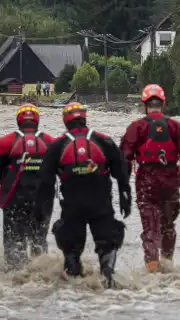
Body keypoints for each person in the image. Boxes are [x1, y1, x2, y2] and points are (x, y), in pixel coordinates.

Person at [36, 102, 130, 287]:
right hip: (101, 205)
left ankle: (75, 291)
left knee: (71, 250)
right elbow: (122, 172)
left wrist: (42, 210)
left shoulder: (57, 146)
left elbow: (45, 182)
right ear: (84, 118)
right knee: (108, 245)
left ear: (65, 121)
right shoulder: (104, 141)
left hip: (72, 208)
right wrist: (125, 197)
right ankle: (107, 279)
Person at [119, 84, 180, 274]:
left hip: (147, 182)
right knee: (168, 227)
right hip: (170, 182)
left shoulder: (137, 127)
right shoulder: (175, 126)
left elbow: (124, 158)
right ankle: (168, 266)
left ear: (145, 105)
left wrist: (123, 188)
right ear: (163, 104)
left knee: (151, 229)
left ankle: (151, 273)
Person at [0, 103, 56, 270]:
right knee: (39, 242)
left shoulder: (4, 143)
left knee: (14, 245)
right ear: (37, 121)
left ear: (18, 121)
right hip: (43, 204)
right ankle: (42, 276)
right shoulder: (52, 143)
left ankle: (15, 281)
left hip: (14, 203)